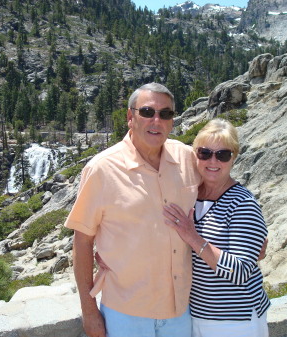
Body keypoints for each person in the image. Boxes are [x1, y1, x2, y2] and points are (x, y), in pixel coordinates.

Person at [64, 83, 201, 337]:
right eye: (147, 112)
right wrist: (89, 310)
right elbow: (82, 242)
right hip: (126, 313)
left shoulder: (187, 158)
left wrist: (248, 232)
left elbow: (220, 191)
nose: (157, 120)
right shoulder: (102, 169)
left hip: (181, 310)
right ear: (130, 117)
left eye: (166, 114)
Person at [163, 119, 271, 337]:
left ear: (234, 157)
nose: (213, 161)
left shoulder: (243, 203)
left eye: (222, 154)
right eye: (204, 153)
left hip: (235, 319)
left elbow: (240, 272)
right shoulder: (190, 196)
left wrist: (192, 237)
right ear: (195, 155)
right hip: (195, 315)